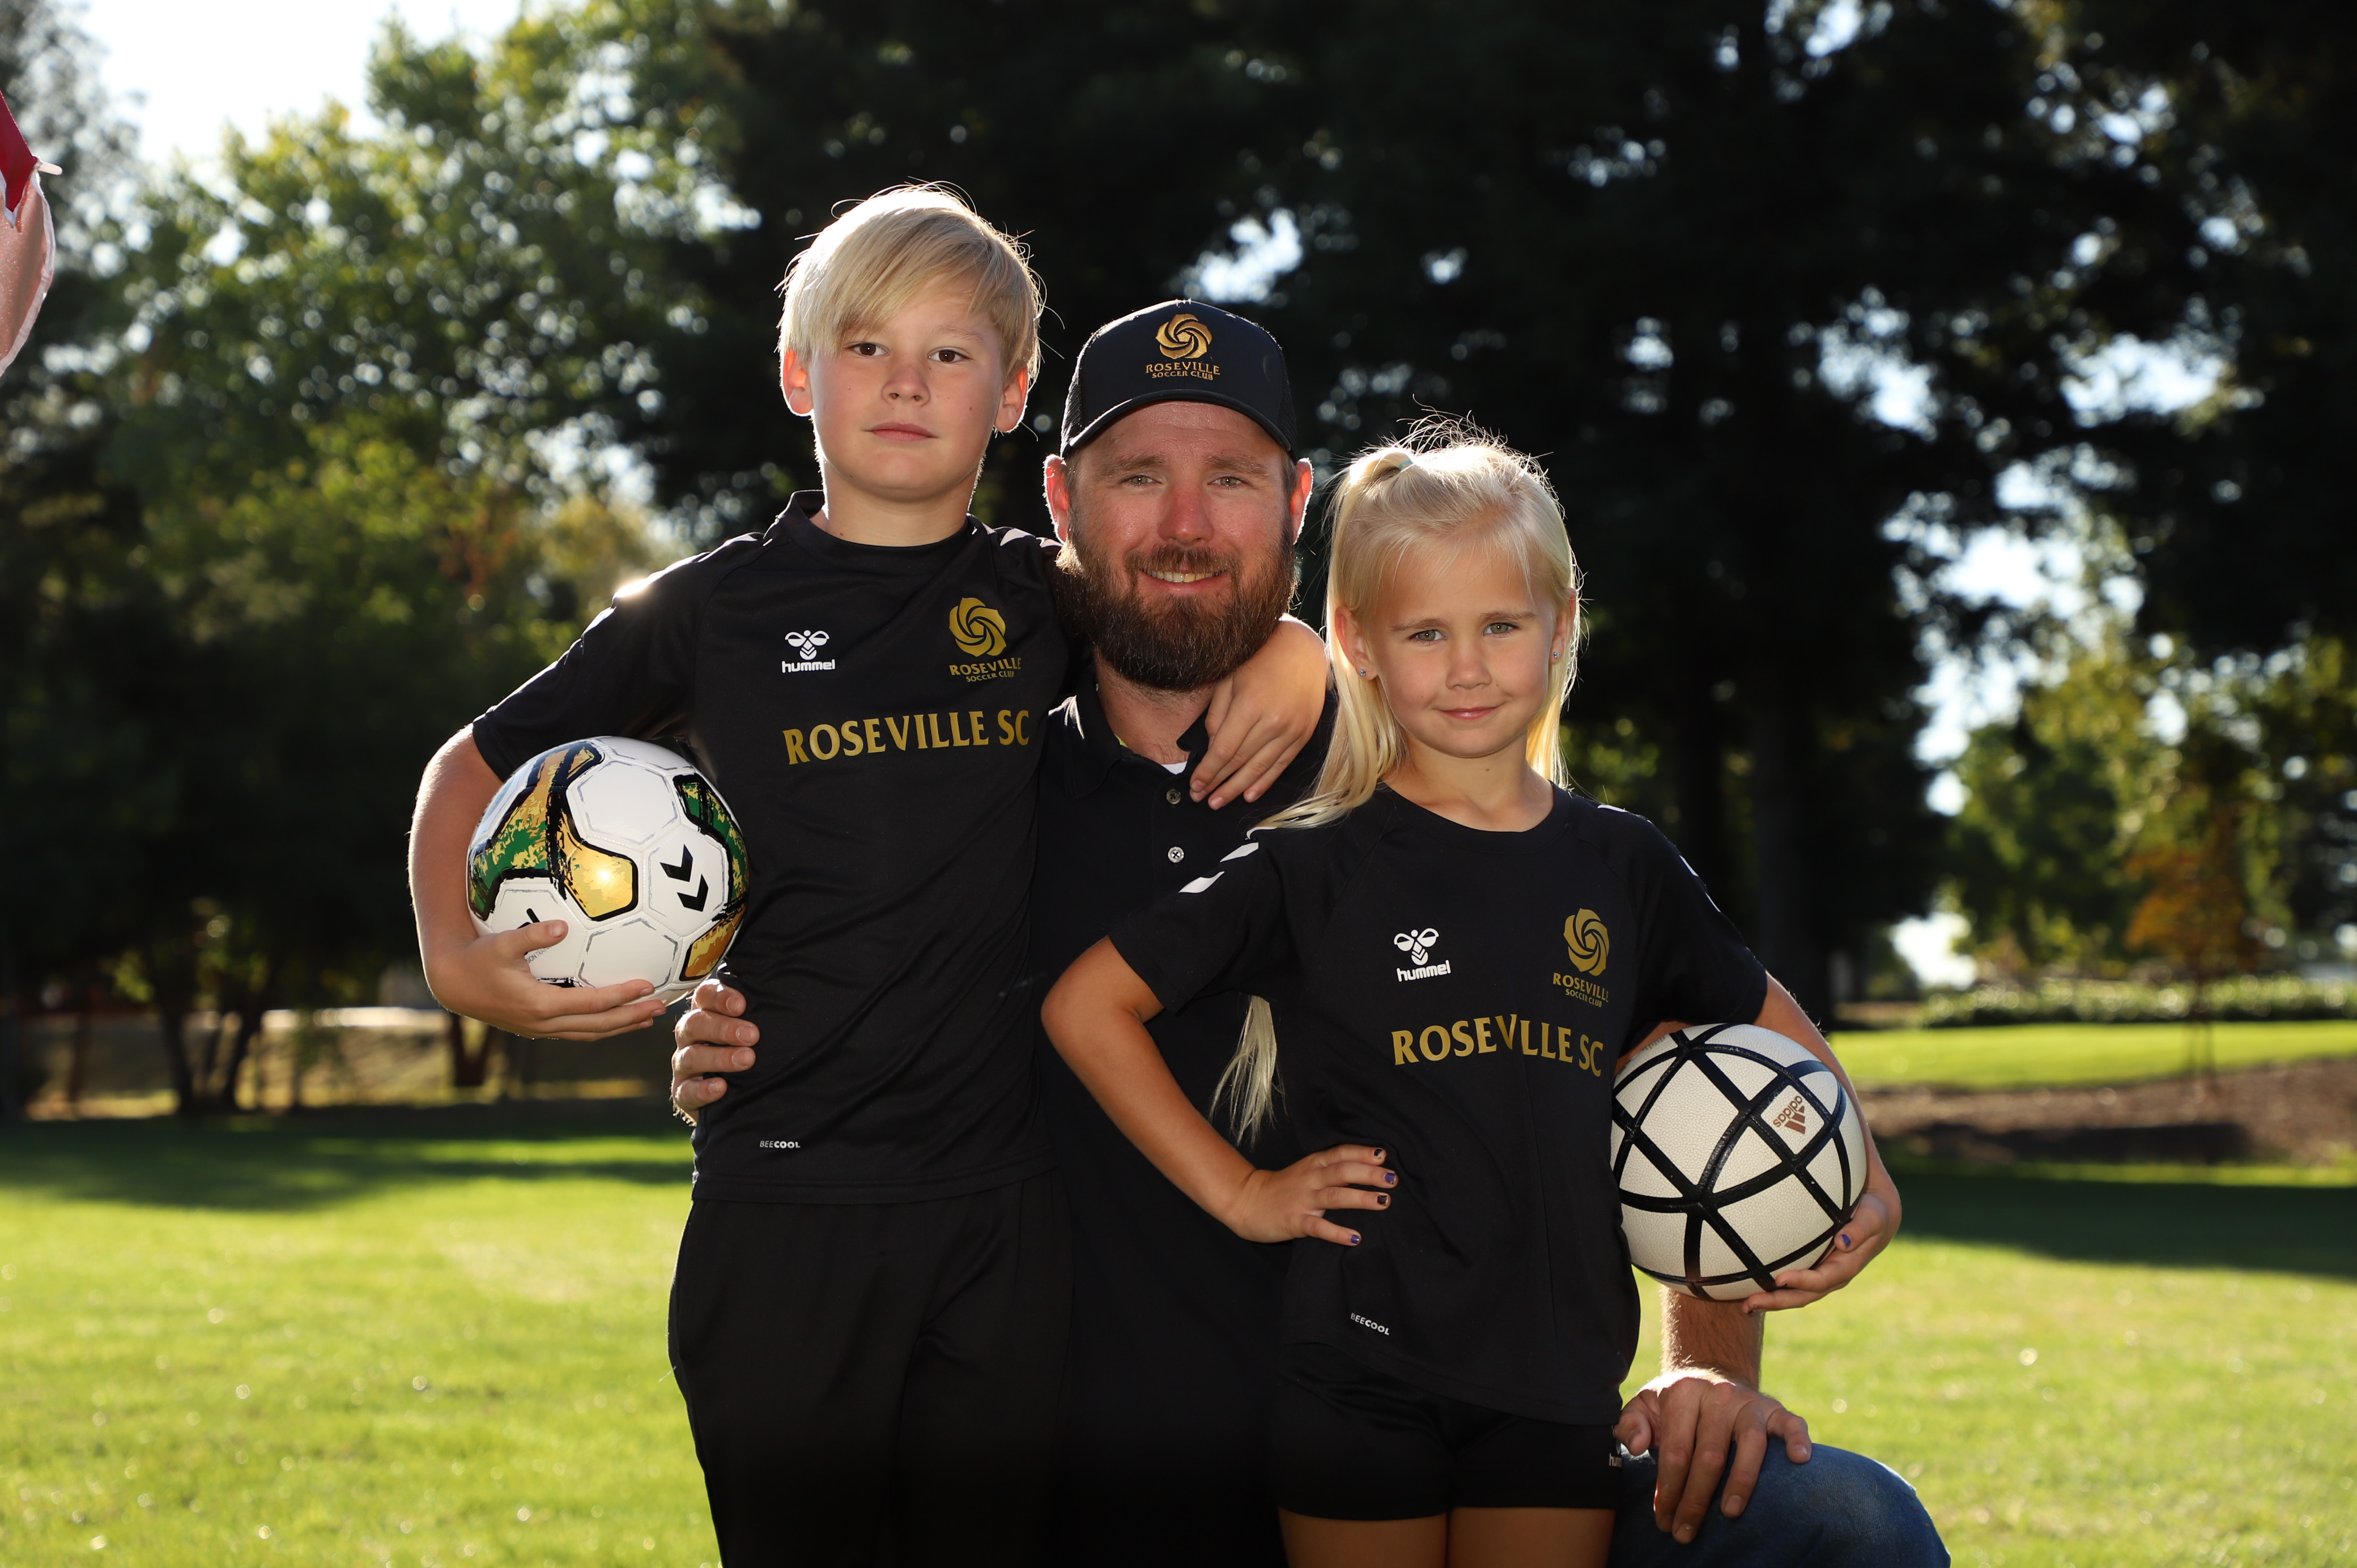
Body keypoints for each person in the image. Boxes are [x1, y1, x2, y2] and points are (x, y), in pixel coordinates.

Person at [675, 369, 1946, 1560]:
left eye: (1229, 477)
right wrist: (734, 1022)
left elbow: (1685, 1048)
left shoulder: (1436, 770)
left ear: (1296, 504)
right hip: (1131, 1482)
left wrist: (1710, 1356)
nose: (1185, 521)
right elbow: (832, 888)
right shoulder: (986, 787)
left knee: (1845, 1523)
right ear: (1060, 502)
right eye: (1137, 476)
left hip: (1498, 1428)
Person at [404, 192, 1326, 1566]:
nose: (906, 382)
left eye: (950, 354)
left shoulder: (1038, 598)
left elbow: (1186, 603)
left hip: (999, 1213)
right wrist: (451, 954)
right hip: (785, 1200)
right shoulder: (706, 612)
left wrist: (1300, 650)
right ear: (797, 374)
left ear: (1011, 396)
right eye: (866, 345)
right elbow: (468, 766)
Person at [1040, 427, 1934, 1567]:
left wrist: (1870, 1186)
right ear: (1357, 643)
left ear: (1561, 625)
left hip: (1554, 1391)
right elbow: (1086, 1005)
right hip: (1359, 1378)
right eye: (1426, 633)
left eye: (1501, 627)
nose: (1466, 668)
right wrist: (1245, 1194)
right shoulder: (1316, 863)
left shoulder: (1624, 866)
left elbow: (1775, 1042)